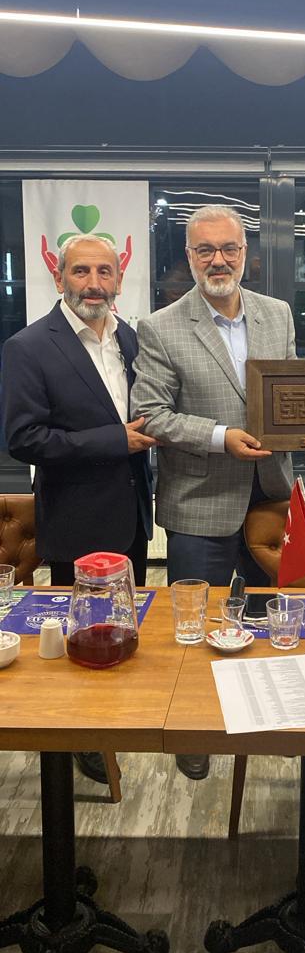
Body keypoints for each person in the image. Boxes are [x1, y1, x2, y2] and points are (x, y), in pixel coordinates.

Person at [131, 204, 295, 779]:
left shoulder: (277, 315)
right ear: (189, 256)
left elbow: (290, 395)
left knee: (266, 615)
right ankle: (193, 728)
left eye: (229, 249)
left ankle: (266, 713)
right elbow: (150, 415)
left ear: (246, 254)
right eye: (205, 250)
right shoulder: (161, 326)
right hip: (199, 500)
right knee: (195, 625)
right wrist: (221, 436)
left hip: (271, 493)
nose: (218, 260)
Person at [1, 233, 156, 786]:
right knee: (84, 640)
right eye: (81, 271)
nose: (94, 284)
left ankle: (118, 721)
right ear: (59, 276)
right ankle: (82, 737)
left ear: (119, 279)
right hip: (76, 519)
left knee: (125, 629)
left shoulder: (130, 338)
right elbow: (23, 438)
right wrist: (115, 440)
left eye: (104, 272)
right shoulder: (28, 347)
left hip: (132, 514)